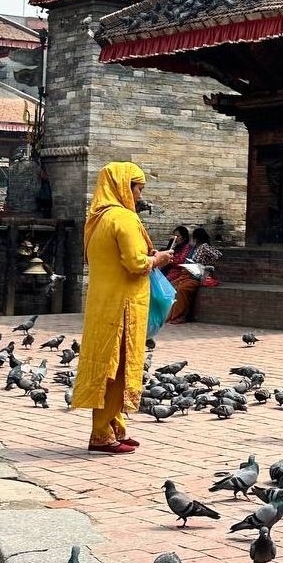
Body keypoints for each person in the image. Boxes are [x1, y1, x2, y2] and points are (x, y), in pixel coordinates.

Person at [71, 162, 173, 454]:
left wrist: (147, 255)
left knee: (107, 364)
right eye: (138, 188)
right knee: (117, 368)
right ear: (124, 187)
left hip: (103, 303)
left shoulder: (97, 219)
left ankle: (114, 426)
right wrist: (159, 259)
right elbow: (135, 264)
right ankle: (101, 434)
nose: (140, 195)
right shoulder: (124, 218)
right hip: (123, 305)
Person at [166, 227, 221, 323]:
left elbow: (218, 255)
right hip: (187, 274)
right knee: (173, 286)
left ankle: (178, 316)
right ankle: (169, 315)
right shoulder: (194, 248)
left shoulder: (204, 247)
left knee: (182, 289)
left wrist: (208, 266)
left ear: (196, 238)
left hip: (197, 276)